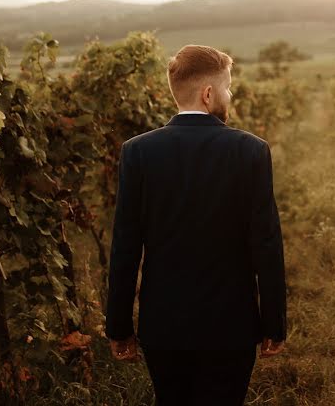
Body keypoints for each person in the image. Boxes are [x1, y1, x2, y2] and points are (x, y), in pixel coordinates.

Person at [106, 44, 287, 406]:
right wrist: (273, 325)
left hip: (164, 325)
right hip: (231, 326)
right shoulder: (251, 151)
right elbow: (266, 244)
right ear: (209, 94)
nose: (230, 94)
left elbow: (126, 245)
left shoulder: (138, 152)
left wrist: (119, 327)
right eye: (228, 86)